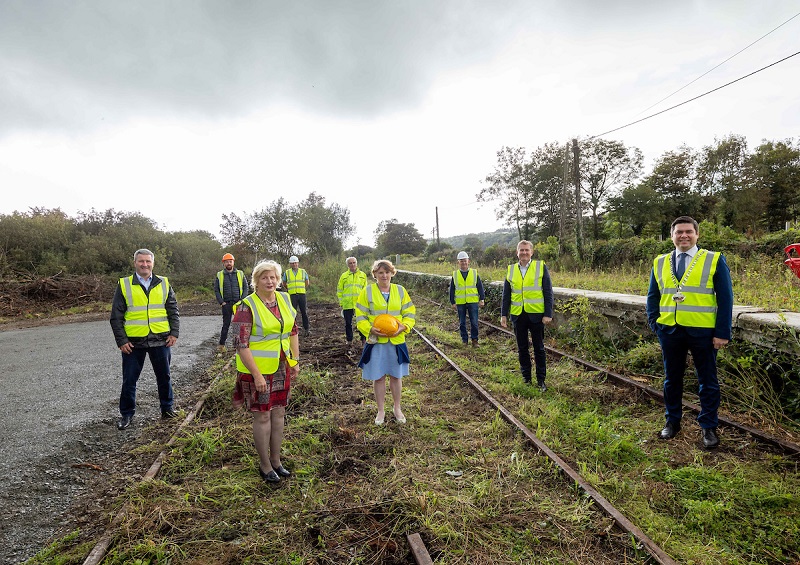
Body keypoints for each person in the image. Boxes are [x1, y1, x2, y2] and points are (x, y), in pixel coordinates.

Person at [646, 216, 733, 449]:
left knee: (707, 380)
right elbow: (653, 296)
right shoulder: (660, 261)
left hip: (703, 331)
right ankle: (672, 422)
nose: (683, 236)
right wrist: (655, 323)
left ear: (697, 235)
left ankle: (708, 427)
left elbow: (726, 298)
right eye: (679, 232)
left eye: (688, 232)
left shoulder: (713, 259)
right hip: (670, 330)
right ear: (671, 235)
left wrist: (722, 332)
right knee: (672, 380)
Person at [231, 260, 300, 483]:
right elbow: (241, 344)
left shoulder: (285, 299)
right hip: (256, 371)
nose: (270, 281)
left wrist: (295, 360)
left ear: (278, 280)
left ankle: (277, 460)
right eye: (264, 277)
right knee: (262, 416)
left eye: (273, 277)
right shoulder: (246, 306)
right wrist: (257, 375)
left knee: (279, 413)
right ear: (256, 281)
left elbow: (292, 331)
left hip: (281, 365)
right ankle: (265, 465)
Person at [110, 248, 180, 430]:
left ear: (153, 263)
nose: (145, 265)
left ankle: (167, 408)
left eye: (148, 261)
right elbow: (116, 316)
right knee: (129, 380)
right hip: (134, 342)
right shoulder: (125, 284)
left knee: (164, 377)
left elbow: (173, 310)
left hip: (160, 339)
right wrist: (122, 341)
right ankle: (126, 414)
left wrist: (174, 333)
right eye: (141, 261)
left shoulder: (163, 283)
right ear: (135, 263)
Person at [355, 260, 416, 425]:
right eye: (380, 272)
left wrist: (404, 327)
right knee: (379, 377)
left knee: (396, 376)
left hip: (396, 341)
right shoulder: (367, 292)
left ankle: (397, 408)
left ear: (392, 273)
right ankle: (380, 410)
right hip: (377, 342)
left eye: (387, 272)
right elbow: (360, 315)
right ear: (374, 274)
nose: (384, 275)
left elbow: (409, 312)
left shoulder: (400, 291)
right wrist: (369, 328)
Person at [500, 240, 553, 391]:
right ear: (517, 253)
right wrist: (503, 314)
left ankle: (541, 380)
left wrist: (548, 313)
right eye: (521, 250)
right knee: (522, 348)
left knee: (539, 348)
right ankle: (526, 378)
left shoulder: (540, 267)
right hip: (518, 315)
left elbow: (548, 291)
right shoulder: (511, 270)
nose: (524, 253)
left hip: (537, 315)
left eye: (526, 250)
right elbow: (506, 295)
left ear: (532, 252)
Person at [214, 252, 250, 351]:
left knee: (239, 324)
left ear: (233, 262)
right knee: (226, 325)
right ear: (224, 263)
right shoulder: (219, 275)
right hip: (226, 304)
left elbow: (246, 288)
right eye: (226, 262)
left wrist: (242, 300)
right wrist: (221, 302)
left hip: (238, 304)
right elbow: (216, 290)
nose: (228, 263)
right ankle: (221, 345)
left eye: (230, 261)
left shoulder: (240, 274)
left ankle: (239, 345)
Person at [449, 251, 486, 346]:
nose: (463, 263)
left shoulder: (474, 273)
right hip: (460, 302)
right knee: (462, 323)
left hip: (473, 302)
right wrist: (452, 302)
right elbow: (452, 289)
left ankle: (474, 340)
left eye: (465, 261)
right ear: (458, 262)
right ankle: (464, 340)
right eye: (461, 261)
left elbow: (480, 286)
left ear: (468, 261)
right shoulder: (455, 275)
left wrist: (482, 299)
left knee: (474, 322)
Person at [337, 256, 368, 349]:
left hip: (359, 304)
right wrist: (341, 302)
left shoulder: (363, 275)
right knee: (348, 323)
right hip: (347, 304)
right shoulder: (344, 276)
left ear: (356, 263)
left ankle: (363, 340)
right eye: (350, 263)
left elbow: (365, 290)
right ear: (347, 265)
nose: (352, 264)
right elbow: (339, 290)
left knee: (362, 322)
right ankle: (349, 340)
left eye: (354, 262)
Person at [282, 255, 310, 336]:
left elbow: (307, 282)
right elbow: (284, 283)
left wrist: (301, 288)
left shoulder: (303, 271)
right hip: (292, 295)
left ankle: (306, 329)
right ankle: (292, 329)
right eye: (292, 263)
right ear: (290, 264)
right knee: (292, 313)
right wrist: (290, 289)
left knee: (304, 312)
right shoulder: (287, 272)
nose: (294, 265)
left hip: (301, 294)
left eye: (295, 263)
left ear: (298, 263)